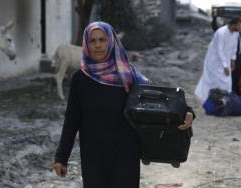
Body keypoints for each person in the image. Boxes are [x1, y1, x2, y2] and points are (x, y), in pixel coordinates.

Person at [51, 21, 195, 188]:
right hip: (93, 155)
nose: (98, 45)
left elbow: (158, 100)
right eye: (93, 41)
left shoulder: (128, 74)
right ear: (86, 44)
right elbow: (72, 119)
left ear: (112, 41)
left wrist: (187, 111)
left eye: (102, 40)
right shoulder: (80, 79)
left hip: (126, 152)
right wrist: (61, 158)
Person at [195, 17, 241, 115]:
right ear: (233, 24)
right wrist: (224, 66)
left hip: (230, 59)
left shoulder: (235, 33)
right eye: (239, 25)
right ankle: (212, 104)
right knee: (215, 83)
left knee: (230, 81)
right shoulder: (220, 33)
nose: (240, 27)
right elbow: (219, 50)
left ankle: (228, 101)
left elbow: (235, 47)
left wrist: (234, 59)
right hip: (215, 62)